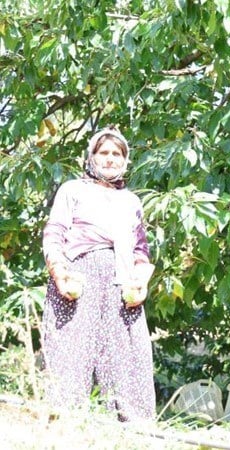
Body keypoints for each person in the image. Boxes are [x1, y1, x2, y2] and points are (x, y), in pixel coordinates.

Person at [41, 126, 155, 421]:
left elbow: (141, 249)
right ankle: (64, 421)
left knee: (129, 353)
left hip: (121, 281)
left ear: (125, 160)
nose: (109, 159)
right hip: (79, 276)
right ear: (91, 158)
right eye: (103, 153)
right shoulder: (73, 190)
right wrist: (60, 273)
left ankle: (134, 429)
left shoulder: (131, 201)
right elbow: (55, 233)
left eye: (116, 154)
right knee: (70, 349)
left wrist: (140, 283)